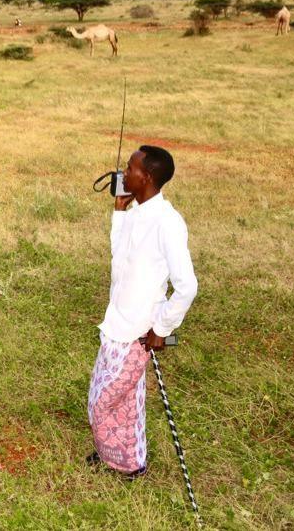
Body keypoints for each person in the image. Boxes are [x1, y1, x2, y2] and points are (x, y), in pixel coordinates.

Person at [86, 145, 198, 478]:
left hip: (136, 330)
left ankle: (124, 461)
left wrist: (162, 329)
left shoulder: (168, 223)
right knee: (124, 403)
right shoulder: (135, 212)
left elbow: (187, 286)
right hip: (116, 323)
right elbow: (120, 259)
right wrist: (119, 213)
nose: (124, 172)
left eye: (130, 168)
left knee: (102, 402)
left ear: (146, 177)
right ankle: (125, 462)